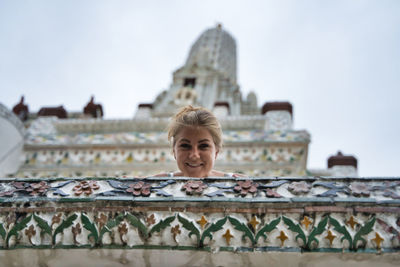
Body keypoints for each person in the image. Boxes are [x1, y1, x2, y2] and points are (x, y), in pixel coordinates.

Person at [153, 105, 245, 178]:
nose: (194, 155)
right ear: (174, 151)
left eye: (204, 146)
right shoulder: (153, 186)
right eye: (185, 145)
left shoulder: (243, 185)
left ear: (216, 152)